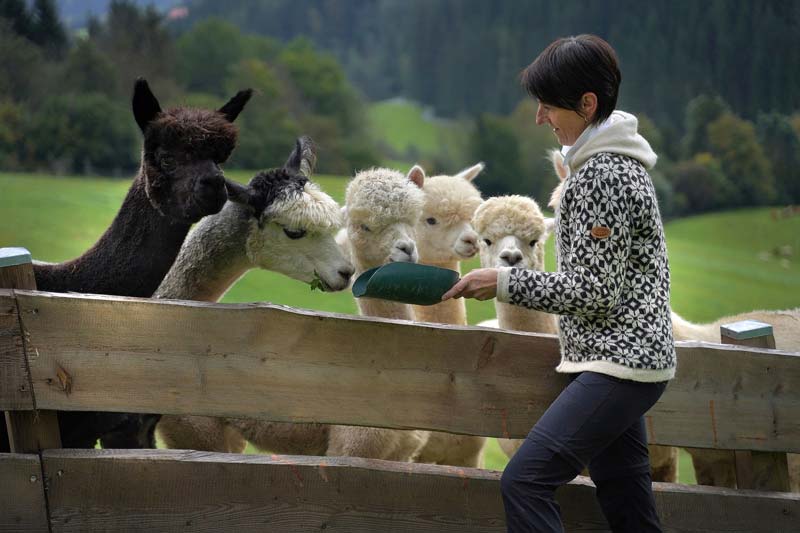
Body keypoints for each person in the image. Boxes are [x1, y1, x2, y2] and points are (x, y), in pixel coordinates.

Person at [441, 34, 675, 532]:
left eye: (548, 106)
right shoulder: (614, 164)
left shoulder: (600, 176)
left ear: (587, 104)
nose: (540, 117)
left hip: (618, 366)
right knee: (628, 504)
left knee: (524, 481)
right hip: (626, 363)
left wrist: (503, 283)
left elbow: (592, 293)